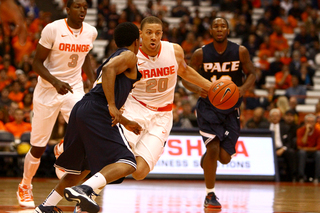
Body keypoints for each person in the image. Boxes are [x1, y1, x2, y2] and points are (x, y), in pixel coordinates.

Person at [34, 22, 142, 213]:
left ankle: (46, 207)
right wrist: (111, 105)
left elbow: (104, 83)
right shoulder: (129, 56)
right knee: (128, 162)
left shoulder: (113, 56)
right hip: (97, 110)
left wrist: (125, 122)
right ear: (137, 41)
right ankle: (85, 189)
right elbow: (109, 73)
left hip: (83, 108)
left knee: (80, 169)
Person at [17, 0, 97, 208]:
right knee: (37, 146)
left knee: (85, 125)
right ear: (67, 9)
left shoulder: (91, 32)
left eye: (85, 7)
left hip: (73, 89)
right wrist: (54, 82)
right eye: (77, 6)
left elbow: (85, 56)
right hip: (47, 90)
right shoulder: (53, 29)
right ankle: (25, 185)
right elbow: (36, 63)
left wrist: (92, 78)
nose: (82, 10)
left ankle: (62, 146)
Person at [120, 16, 212, 181]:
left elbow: (184, 70)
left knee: (139, 173)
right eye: (149, 32)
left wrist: (211, 86)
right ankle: (87, 190)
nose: (153, 36)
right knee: (116, 156)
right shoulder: (130, 56)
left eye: (157, 33)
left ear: (162, 33)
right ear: (141, 34)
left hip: (162, 115)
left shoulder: (174, 50)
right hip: (136, 109)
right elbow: (112, 80)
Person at [182, 17, 256, 209]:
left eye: (223, 25)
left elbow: (253, 73)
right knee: (214, 149)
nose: (219, 28)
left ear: (228, 30)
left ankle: (208, 160)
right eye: (216, 26)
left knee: (224, 157)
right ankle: (210, 195)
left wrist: (242, 88)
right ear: (211, 31)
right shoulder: (200, 54)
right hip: (208, 108)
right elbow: (185, 78)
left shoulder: (240, 51)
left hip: (232, 109)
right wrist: (198, 89)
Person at [269, 108, 297, 181]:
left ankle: (291, 177)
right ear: (269, 117)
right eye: (273, 116)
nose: (275, 117)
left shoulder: (285, 127)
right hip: (268, 149)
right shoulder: (264, 127)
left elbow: (289, 142)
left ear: (280, 117)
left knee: (290, 152)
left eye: (277, 116)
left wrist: (282, 149)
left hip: (281, 148)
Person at [296, 114, 320, 184]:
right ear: (304, 122)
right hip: (306, 151)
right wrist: (306, 131)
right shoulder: (300, 130)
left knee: (319, 154)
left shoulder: (318, 131)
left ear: (315, 123)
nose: (310, 124)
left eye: (312, 122)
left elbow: (319, 147)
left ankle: (317, 177)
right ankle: (301, 177)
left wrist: (305, 148)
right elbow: (300, 144)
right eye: (308, 122)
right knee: (301, 153)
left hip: (314, 151)